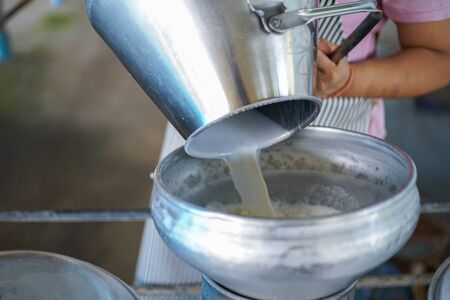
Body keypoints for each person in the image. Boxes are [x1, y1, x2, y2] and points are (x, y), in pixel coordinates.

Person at [134, 0, 450, 288]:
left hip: (332, 142)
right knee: (181, 281)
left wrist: (351, 79)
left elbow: (439, 56)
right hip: (205, 120)